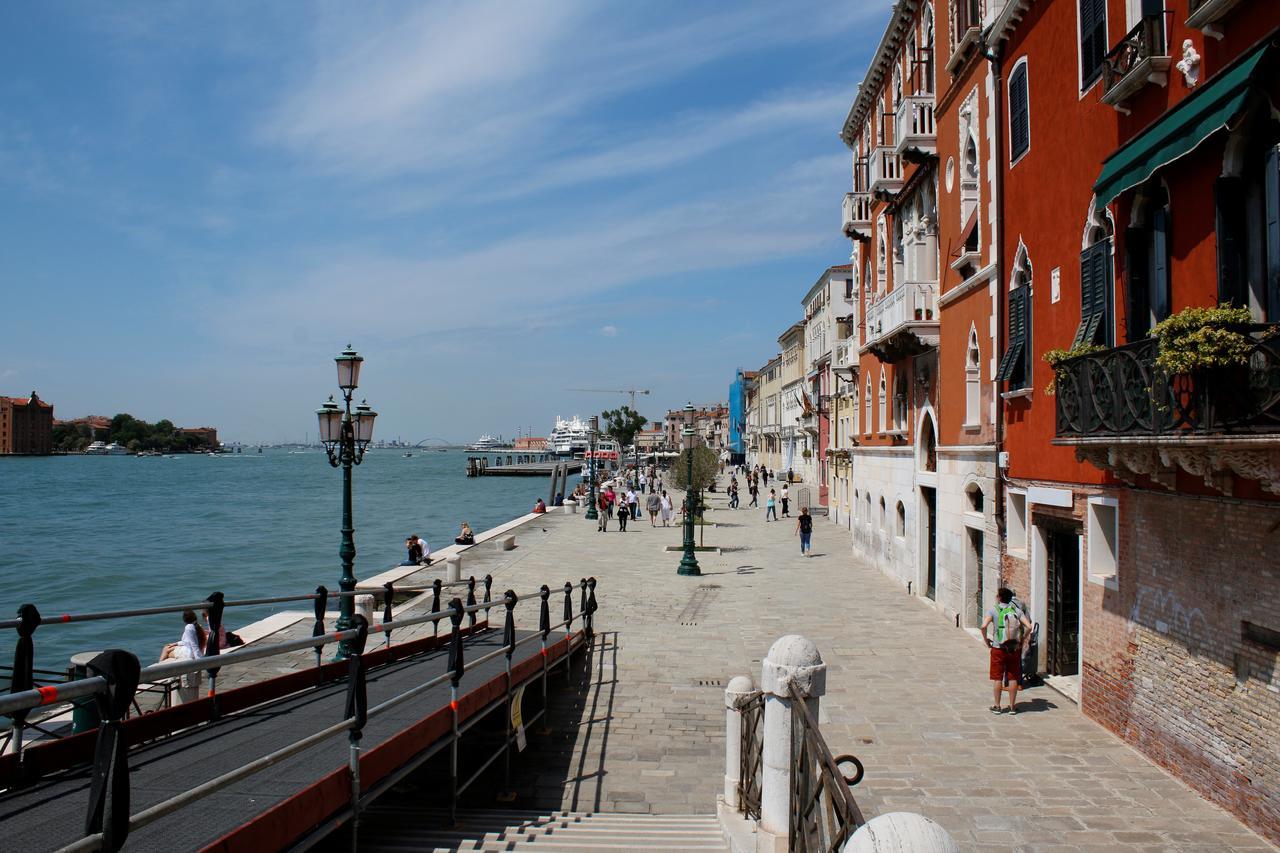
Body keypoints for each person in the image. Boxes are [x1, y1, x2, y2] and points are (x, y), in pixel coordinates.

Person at [981, 588, 1035, 714]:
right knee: (1013, 677)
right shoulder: (1017, 610)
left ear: (999, 597)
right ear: (1011, 598)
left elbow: (983, 626)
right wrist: (1021, 640)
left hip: (998, 648)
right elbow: (1029, 626)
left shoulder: (993, 610)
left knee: (997, 677)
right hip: (1013, 649)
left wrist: (986, 641)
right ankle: (1012, 707)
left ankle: (997, 706)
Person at [159, 610, 206, 704]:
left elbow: (193, 644)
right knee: (169, 647)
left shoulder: (189, 627)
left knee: (166, 649)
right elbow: (187, 641)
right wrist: (175, 643)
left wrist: (199, 660)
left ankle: (160, 668)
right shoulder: (196, 626)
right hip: (188, 650)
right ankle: (161, 665)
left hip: (188, 653)